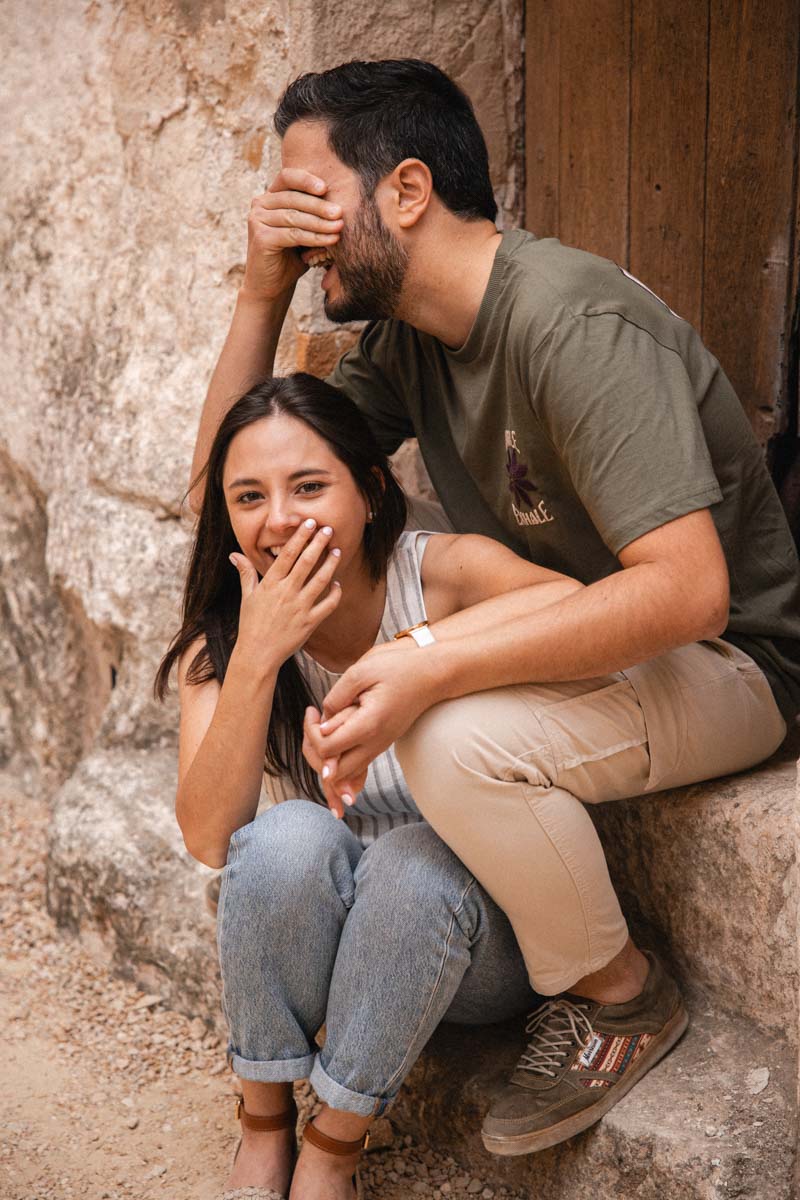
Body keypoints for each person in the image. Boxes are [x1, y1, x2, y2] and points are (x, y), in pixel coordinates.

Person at [189, 59, 798, 1159]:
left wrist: (425, 657)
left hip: (727, 662)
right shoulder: (407, 345)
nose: (286, 218)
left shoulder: (568, 320)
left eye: (305, 191)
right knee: (427, 737)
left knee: (450, 733)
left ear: (406, 190)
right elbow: (222, 506)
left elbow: (688, 589)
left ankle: (621, 999)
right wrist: (258, 291)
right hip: (589, 660)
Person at [159, 372, 627, 1199]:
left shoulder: (444, 575)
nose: (279, 520)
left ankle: (333, 1148)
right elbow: (206, 835)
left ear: (372, 489)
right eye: (249, 497)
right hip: (341, 943)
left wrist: (420, 659)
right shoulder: (231, 636)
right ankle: (263, 1123)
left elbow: (576, 611)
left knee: (414, 856)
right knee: (280, 837)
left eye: (309, 486)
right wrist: (261, 658)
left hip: (468, 937)